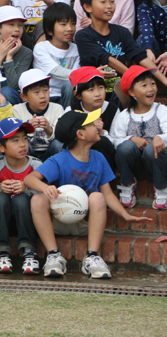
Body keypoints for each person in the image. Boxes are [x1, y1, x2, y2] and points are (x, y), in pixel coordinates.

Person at [25, 109, 152, 278]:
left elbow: (107, 194)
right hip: (57, 222)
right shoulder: (60, 159)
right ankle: (54, 255)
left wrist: (125, 215)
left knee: (97, 196)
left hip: (85, 223)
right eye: (92, 124)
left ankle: (92, 256)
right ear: (81, 134)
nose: (97, 126)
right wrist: (44, 188)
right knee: (37, 199)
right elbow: (29, 179)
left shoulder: (98, 157)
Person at [76, 0, 167, 106]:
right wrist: (133, 77)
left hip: (120, 85)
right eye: (103, 2)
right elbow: (107, 59)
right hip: (94, 86)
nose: (109, 6)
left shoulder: (121, 32)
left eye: (112, 1)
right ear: (87, 7)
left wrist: (165, 80)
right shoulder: (83, 35)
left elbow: (141, 57)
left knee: (123, 86)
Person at [0, 117, 41, 274]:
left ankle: (29, 252)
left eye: (25, 139)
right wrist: (0, 188)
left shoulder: (36, 165)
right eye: (15, 140)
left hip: (27, 219)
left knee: (20, 199)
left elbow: (42, 195)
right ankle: (3, 253)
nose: (23, 144)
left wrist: (27, 188)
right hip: (3, 219)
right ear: (1, 147)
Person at [111, 66, 167, 209]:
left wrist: (160, 137)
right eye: (144, 85)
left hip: (156, 163)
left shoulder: (161, 110)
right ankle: (128, 184)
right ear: (131, 92)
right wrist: (130, 138)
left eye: (153, 83)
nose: (151, 89)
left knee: (151, 149)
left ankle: (161, 188)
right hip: (133, 165)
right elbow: (114, 139)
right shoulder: (124, 115)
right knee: (125, 147)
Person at [67, 66, 119, 170]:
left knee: (103, 141)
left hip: (104, 158)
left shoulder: (112, 110)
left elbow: (117, 139)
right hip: (78, 159)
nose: (97, 94)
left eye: (100, 87)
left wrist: (101, 133)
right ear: (78, 95)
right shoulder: (71, 110)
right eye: (91, 90)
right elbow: (64, 136)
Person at [33, 3, 80, 108]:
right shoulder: (41, 48)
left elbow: (75, 78)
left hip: (68, 94)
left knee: (70, 85)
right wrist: (86, 74)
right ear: (49, 30)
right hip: (46, 95)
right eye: (63, 24)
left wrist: (82, 75)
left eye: (73, 23)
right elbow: (55, 71)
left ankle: (68, 118)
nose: (70, 29)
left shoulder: (76, 49)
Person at [13, 69, 64, 161]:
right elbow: (15, 137)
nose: (42, 96)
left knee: (58, 144)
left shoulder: (57, 108)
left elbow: (62, 136)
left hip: (49, 152)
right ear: (24, 96)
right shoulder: (17, 110)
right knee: (23, 145)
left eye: (45, 90)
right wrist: (27, 127)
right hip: (28, 152)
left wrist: (49, 129)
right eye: (36, 92)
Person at [137, 0, 167, 66]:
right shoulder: (145, 8)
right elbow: (146, 28)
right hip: (157, 54)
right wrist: (148, 49)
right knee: (141, 41)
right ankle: (149, 78)